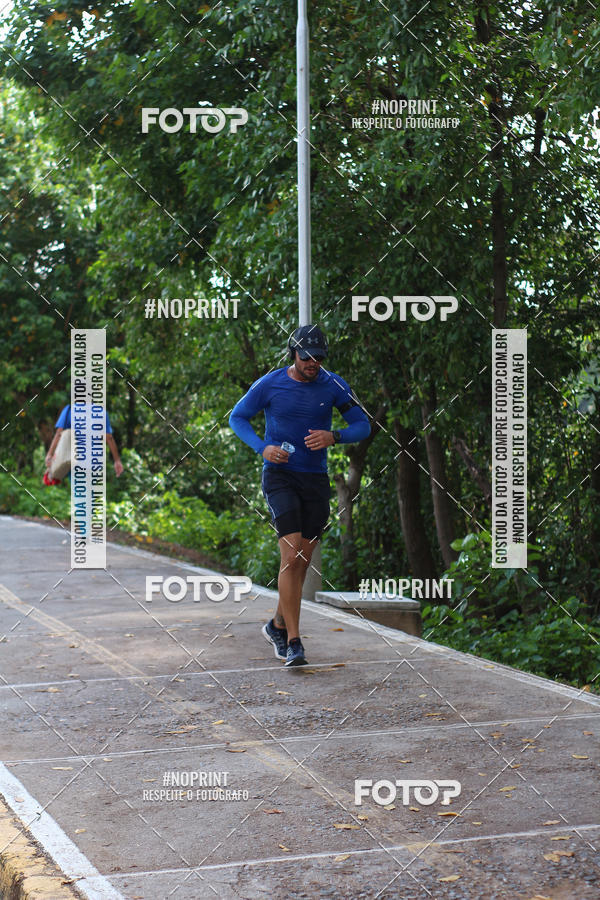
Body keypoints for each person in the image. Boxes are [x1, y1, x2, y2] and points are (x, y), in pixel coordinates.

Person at [229, 325, 370, 666]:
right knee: (291, 553)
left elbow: (362, 425)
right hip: (280, 477)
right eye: (308, 357)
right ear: (293, 352)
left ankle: (277, 623)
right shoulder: (270, 384)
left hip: (314, 479)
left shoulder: (334, 385)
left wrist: (334, 436)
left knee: (301, 560)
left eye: (320, 358)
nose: (314, 363)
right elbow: (238, 418)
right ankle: (294, 641)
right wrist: (263, 448)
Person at [45, 402, 124, 478]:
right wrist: (117, 460)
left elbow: (59, 434)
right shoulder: (101, 412)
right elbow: (109, 438)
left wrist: (49, 454)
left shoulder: (69, 410)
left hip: (74, 462)